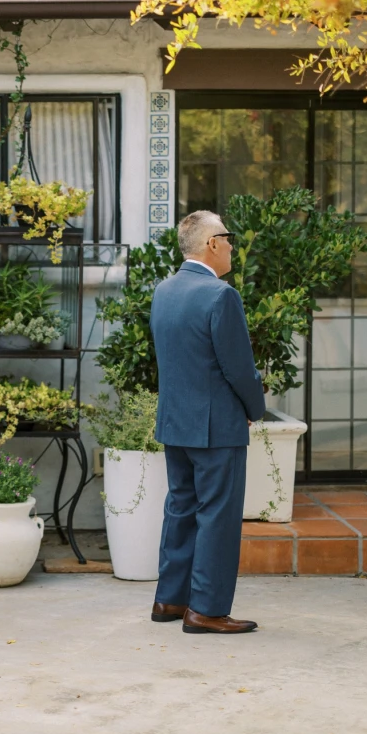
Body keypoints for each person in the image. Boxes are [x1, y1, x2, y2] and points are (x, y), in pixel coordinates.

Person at [148, 210, 266, 635]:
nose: (233, 245)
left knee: (181, 507)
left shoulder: (164, 290)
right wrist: (256, 409)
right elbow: (240, 369)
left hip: (175, 422)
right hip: (216, 427)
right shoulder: (220, 295)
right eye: (228, 237)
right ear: (212, 243)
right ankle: (207, 610)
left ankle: (170, 599)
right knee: (217, 514)